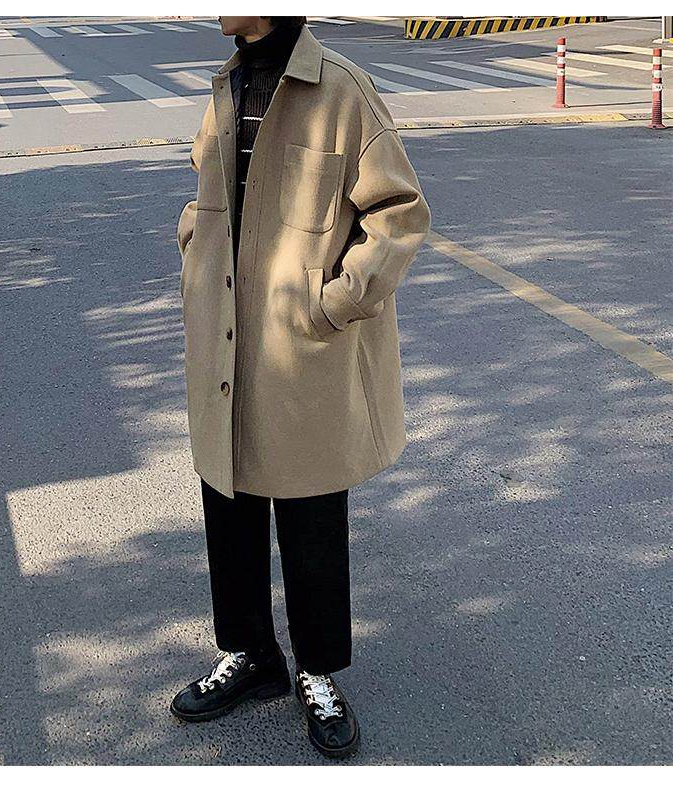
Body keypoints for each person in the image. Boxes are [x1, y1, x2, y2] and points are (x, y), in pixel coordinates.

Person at [170, 16, 431, 759]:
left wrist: (335, 303)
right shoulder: (225, 87)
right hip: (225, 330)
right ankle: (250, 653)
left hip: (302, 344)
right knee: (229, 499)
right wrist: (193, 247)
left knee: (310, 512)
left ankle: (317, 670)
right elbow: (209, 189)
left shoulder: (343, 91)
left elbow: (399, 213)